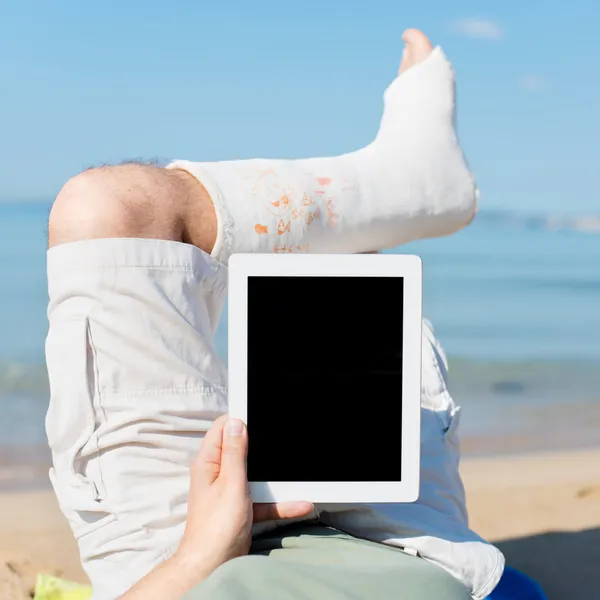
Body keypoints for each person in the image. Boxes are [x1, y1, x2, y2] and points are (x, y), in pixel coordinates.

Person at [45, 28, 504, 600]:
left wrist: (197, 559)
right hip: (412, 546)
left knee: (112, 212)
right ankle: (406, 187)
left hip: (178, 563)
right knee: (352, 269)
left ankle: (407, 187)